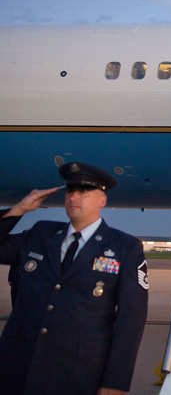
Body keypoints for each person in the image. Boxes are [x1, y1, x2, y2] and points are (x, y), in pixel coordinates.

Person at [0, 162, 149, 395]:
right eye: (71, 191)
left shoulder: (125, 248)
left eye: (84, 191)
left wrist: (115, 381)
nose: (74, 197)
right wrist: (18, 209)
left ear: (102, 200)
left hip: (76, 376)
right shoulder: (40, 234)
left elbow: (131, 320)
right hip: (17, 372)